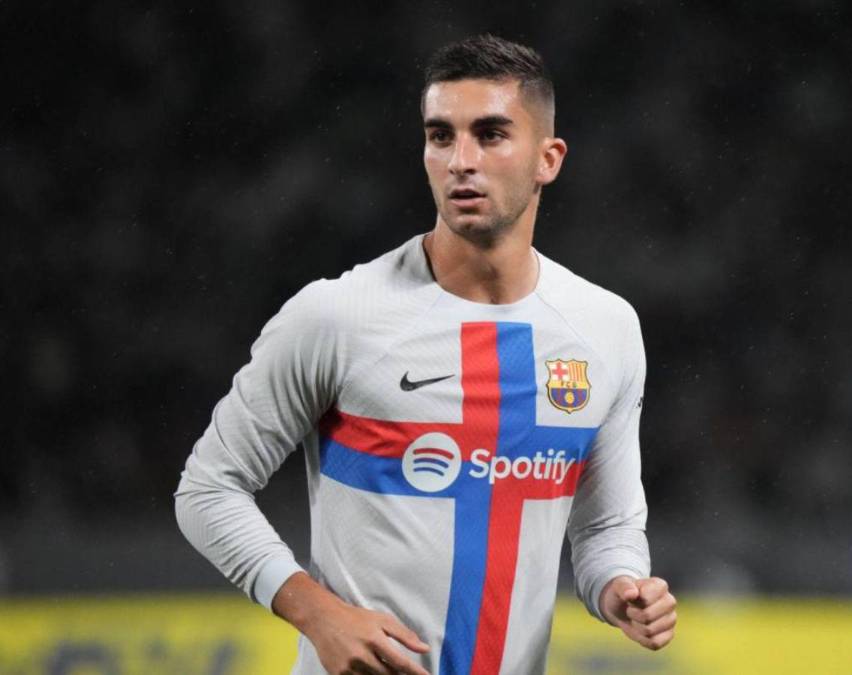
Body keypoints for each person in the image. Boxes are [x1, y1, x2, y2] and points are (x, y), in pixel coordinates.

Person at [175, 33, 677, 675]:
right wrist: (318, 613)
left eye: (490, 135)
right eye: (441, 136)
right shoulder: (338, 316)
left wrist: (622, 590)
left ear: (547, 159)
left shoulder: (604, 328)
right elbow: (208, 488)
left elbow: (606, 528)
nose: (460, 160)